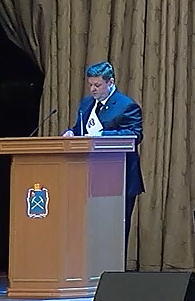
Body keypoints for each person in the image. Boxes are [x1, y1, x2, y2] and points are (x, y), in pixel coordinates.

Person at [62, 61, 145, 247]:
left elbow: (134, 135)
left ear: (110, 82)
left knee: (114, 234)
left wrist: (101, 136)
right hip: (88, 177)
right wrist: (71, 133)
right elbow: (80, 129)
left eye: (97, 85)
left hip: (118, 178)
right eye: (90, 84)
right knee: (89, 233)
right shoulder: (87, 104)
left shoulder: (126, 106)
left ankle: (115, 266)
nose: (93, 89)